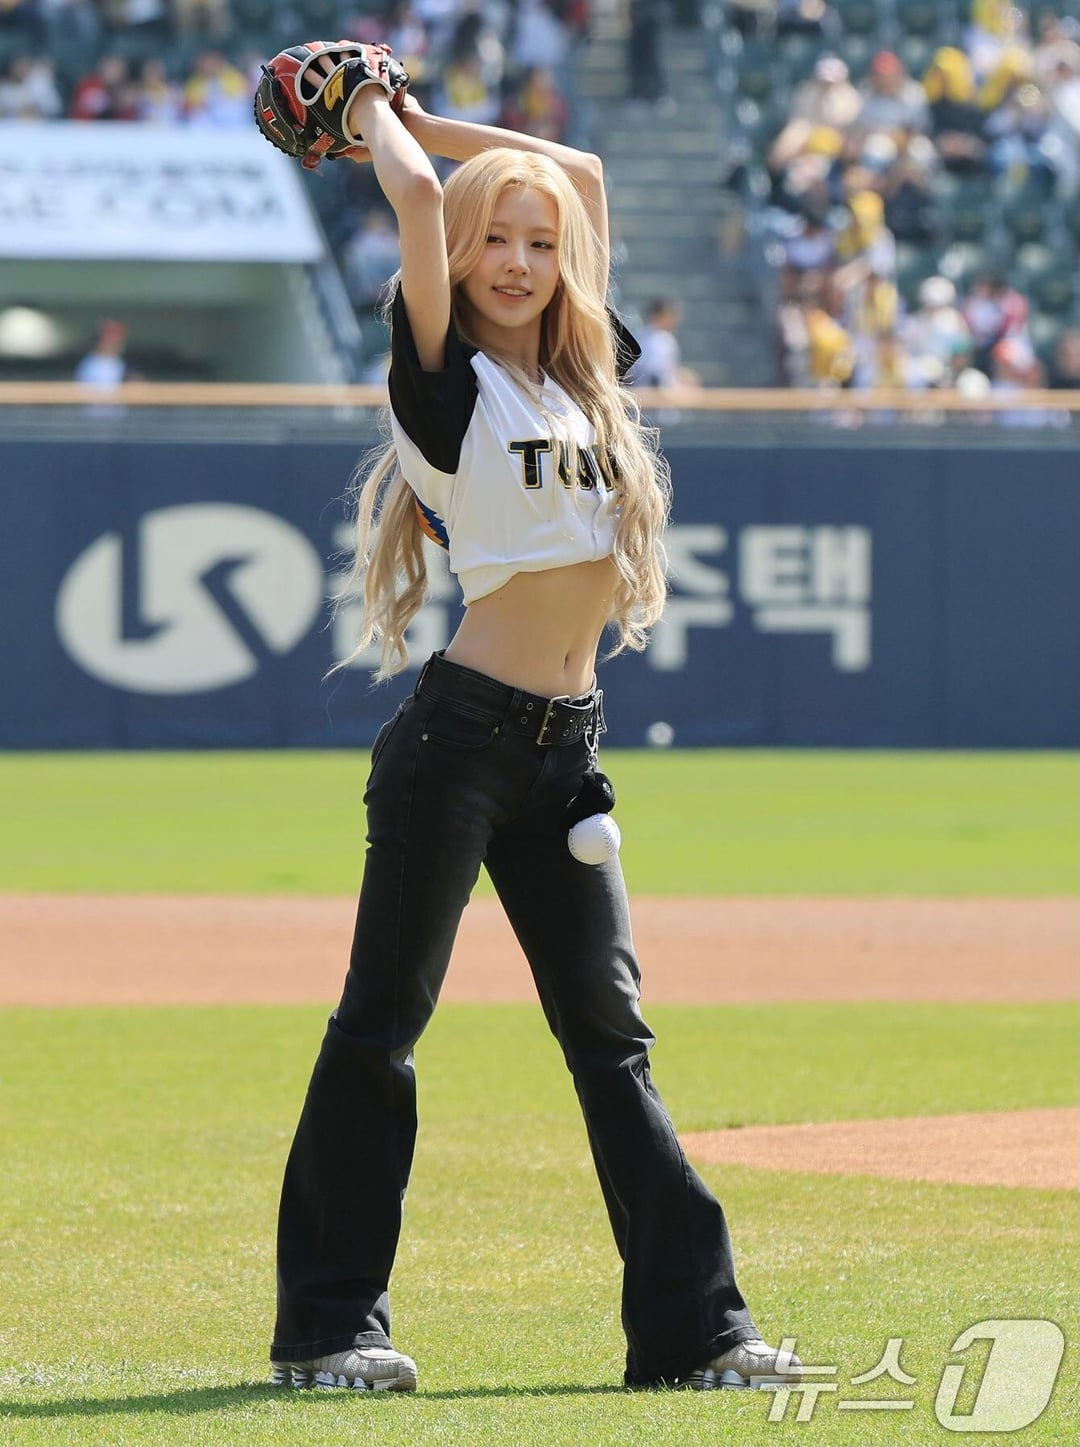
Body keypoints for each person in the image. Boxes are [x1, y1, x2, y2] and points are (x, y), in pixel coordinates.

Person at [268, 57, 803, 1396]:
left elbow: (584, 174)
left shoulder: (583, 377)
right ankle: (330, 1328)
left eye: (538, 245)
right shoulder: (446, 383)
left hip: (567, 756)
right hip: (458, 748)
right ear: (458, 253)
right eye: (494, 239)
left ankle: (694, 1334)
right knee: (382, 1026)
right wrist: (376, 121)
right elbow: (415, 195)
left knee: (613, 1042)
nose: (518, 260)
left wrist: (431, 117)